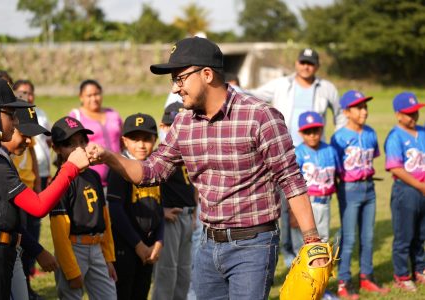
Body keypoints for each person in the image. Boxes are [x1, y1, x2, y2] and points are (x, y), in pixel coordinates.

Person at [87, 37, 325, 300]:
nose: (176, 89)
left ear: (207, 74)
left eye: (180, 78)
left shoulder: (260, 117)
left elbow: (290, 179)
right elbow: (152, 172)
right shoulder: (183, 123)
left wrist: (312, 241)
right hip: (207, 245)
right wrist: (108, 156)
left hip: (254, 245)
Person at [0, 77, 89, 300]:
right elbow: (37, 206)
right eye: (11, 113)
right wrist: (70, 168)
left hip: (0, 249)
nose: (15, 122)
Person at [249, 48, 346, 266]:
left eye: (310, 63)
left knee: (307, 204)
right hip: (282, 153)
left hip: (313, 154)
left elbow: (340, 115)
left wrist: (335, 142)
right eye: (302, 62)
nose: (306, 66)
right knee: (284, 207)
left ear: (317, 66)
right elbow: (253, 94)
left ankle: (306, 253)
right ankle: (288, 254)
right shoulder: (282, 84)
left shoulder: (327, 88)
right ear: (296, 63)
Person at [49, 116, 117, 300]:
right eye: (70, 144)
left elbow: (105, 219)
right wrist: (71, 271)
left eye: (82, 142)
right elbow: (59, 234)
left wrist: (109, 258)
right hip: (73, 248)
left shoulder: (94, 176)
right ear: (56, 148)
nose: (78, 149)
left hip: (97, 250)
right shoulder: (60, 183)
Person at [331, 90, 389, 299]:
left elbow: (373, 157)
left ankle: (367, 277)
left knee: (369, 236)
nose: (364, 111)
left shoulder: (371, 133)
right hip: (349, 189)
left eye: (365, 107)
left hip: (369, 189)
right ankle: (343, 282)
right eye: (359, 107)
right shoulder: (338, 137)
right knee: (349, 238)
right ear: (347, 112)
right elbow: (336, 169)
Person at [0, 106, 58, 300]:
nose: (29, 141)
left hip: (11, 248)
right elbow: (38, 207)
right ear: (8, 126)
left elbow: (13, 222)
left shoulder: (6, 160)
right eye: (24, 134)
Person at [106, 113, 164, 300]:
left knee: (142, 291)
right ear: (124, 140)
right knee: (124, 291)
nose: (141, 144)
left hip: (149, 246)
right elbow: (115, 210)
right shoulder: (119, 168)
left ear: (155, 140)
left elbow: (159, 207)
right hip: (126, 245)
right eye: (135, 139)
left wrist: (159, 242)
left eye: (147, 139)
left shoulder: (155, 167)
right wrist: (138, 245)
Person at [152, 103, 197, 300]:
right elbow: (149, 190)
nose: (178, 131)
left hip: (188, 215)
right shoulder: (160, 156)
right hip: (170, 218)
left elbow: (194, 184)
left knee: (185, 271)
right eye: (172, 125)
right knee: (167, 270)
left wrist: (195, 210)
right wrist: (161, 211)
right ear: (163, 127)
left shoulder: (192, 152)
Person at [384, 92, 425, 292]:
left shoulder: (423, 132)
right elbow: (396, 168)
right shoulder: (395, 136)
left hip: (423, 191)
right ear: (398, 114)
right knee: (404, 235)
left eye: (415, 112)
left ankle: (420, 269)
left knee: (421, 233)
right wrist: (420, 186)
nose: (413, 116)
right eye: (408, 113)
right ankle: (401, 274)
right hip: (406, 190)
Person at [290, 111, 340, 253]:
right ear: (300, 133)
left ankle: (318, 271)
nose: (312, 135)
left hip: (324, 202)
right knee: (302, 241)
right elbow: (291, 185)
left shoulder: (330, 150)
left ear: (321, 129)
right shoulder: (297, 153)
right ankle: (302, 271)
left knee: (322, 238)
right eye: (307, 131)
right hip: (306, 202)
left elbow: (337, 175)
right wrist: (292, 212)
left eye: (315, 130)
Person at [69, 79, 123, 188]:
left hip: (118, 175)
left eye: (97, 94)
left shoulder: (113, 114)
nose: (94, 98)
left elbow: (123, 140)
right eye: (89, 95)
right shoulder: (76, 116)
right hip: (91, 180)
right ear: (81, 97)